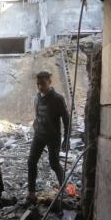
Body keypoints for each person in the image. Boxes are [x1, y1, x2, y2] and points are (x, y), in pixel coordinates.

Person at [27, 71, 70, 204]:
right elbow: (38, 115)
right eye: (38, 84)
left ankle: (64, 189)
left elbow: (66, 119)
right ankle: (31, 194)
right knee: (31, 162)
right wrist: (36, 124)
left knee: (54, 163)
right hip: (39, 135)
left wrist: (66, 138)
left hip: (53, 137)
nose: (40, 87)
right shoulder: (37, 97)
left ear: (50, 82)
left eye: (43, 84)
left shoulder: (58, 99)